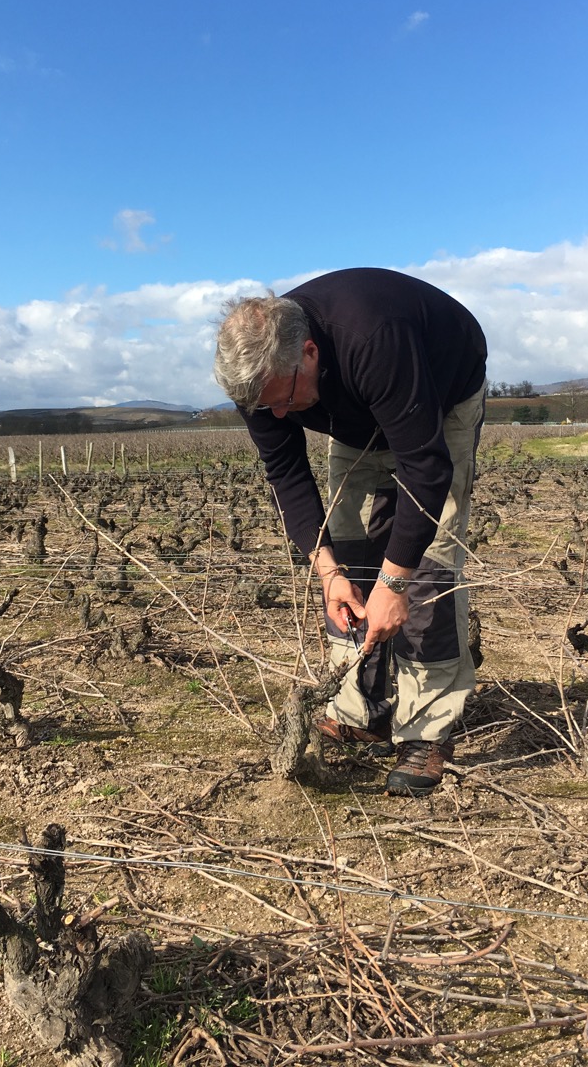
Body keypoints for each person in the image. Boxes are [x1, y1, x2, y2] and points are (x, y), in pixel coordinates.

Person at [213, 267, 487, 797]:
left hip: (439, 394)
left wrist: (396, 584)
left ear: (310, 352)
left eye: (284, 399)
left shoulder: (373, 339)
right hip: (356, 416)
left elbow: (427, 471)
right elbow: (287, 475)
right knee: (350, 547)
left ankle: (426, 731)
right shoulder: (262, 384)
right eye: (263, 406)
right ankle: (362, 707)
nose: (277, 414)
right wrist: (328, 572)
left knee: (427, 566)